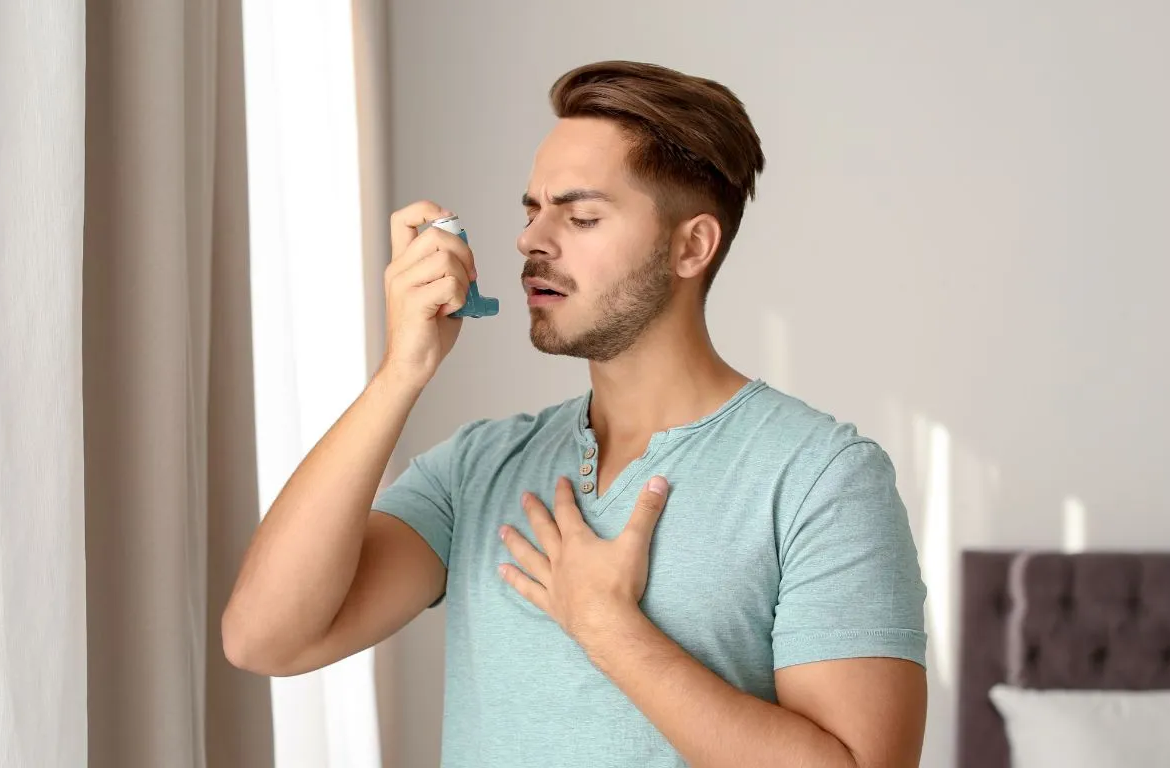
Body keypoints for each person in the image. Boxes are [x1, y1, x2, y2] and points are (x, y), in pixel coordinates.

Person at [223, 60, 928, 768]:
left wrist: (608, 628)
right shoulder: (479, 469)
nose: (532, 240)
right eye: (532, 210)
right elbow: (264, 639)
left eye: (581, 215)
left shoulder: (822, 478)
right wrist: (400, 373)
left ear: (692, 246)